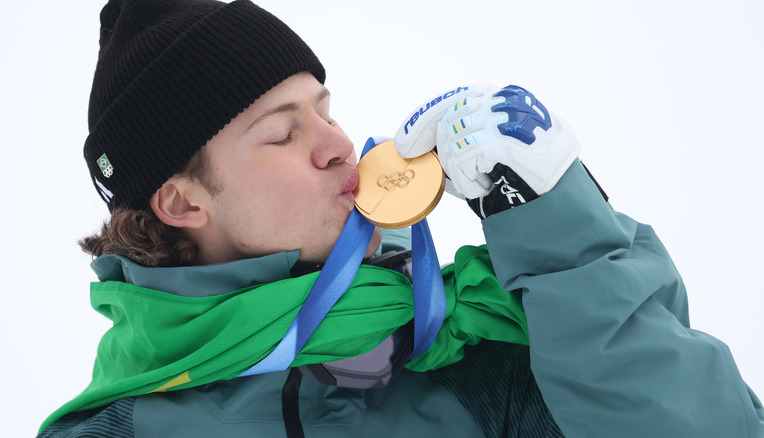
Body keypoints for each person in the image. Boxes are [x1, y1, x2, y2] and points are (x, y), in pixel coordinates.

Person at [37, 0, 764, 437]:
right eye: (282, 133)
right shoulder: (111, 431)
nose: (337, 145)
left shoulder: (484, 361)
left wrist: (559, 233)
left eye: (325, 111)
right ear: (182, 202)